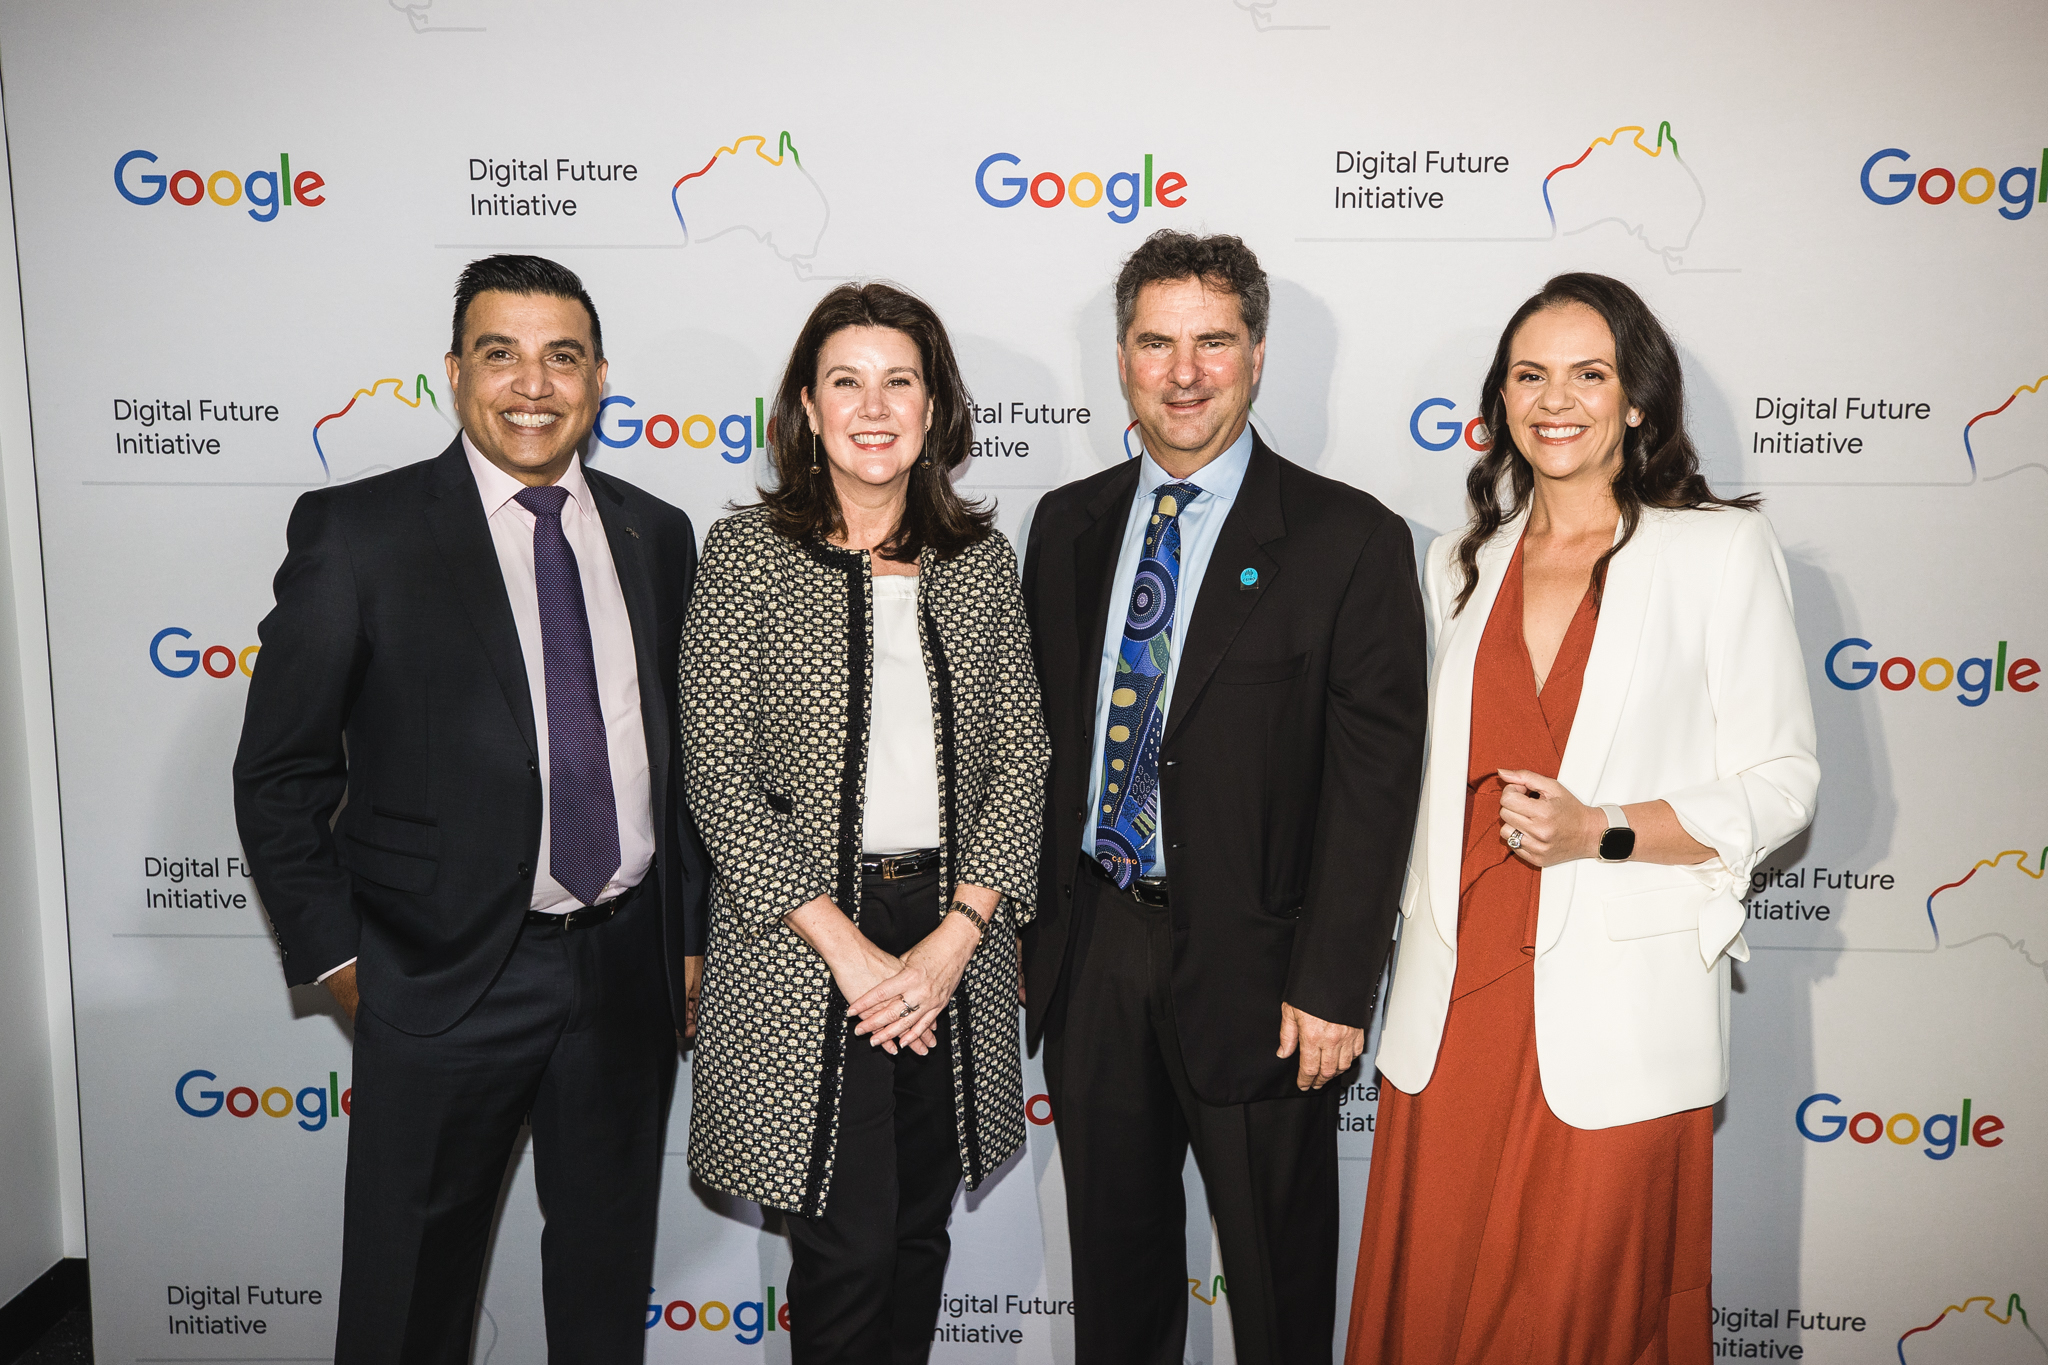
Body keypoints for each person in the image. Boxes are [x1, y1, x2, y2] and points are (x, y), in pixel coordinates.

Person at [232, 255, 708, 1364]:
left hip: (624, 969)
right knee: (409, 1305)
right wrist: (342, 960)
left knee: (604, 1286)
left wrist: (683, 940)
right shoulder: (359, 534)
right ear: (454, 373)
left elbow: (677, 760)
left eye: (562, 356)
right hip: (438, 978)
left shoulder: (656, 529)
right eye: (500, 354)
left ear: (598, 379)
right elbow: (280, 773)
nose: (531, 384)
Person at [1349, 273, 1819, 1364]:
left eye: (1587, 373)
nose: (1554, 398)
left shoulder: (1715, 552)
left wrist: (1601, 827)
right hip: (1454, 998)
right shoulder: (1454, 565)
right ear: (1501, 402)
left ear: (1637, 400)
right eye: (1528, 374)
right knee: (1445, 1300)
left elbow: (1782, 782)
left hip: (1618, 1001)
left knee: (1586, 1311)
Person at [1019, 230, 1428, 1365]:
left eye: (1212, 341)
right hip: (1094, 950)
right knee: (1114, 1288)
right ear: (1120, 359)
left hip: (1267, 982)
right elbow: (1036, 752)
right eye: (1156, 342)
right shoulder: (1064, 526)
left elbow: (1372, 783)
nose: (1183, 371)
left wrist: (1335, 985)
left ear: (1256, 355)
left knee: (1277, 1292)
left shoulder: (1347, 541)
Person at [679, 281, 1049, 1364]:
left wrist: (950, 944)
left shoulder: (978, 562)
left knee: (915, 1234)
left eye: (900, 381)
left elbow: (1021, 757)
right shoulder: (745, 554)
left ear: (934, 408)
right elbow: (717, 772)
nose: (873, 406)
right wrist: (847, 951)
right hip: (800, 943)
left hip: (950, 933)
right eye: (846, 381)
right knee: (845, 1255)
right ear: (805, 404)